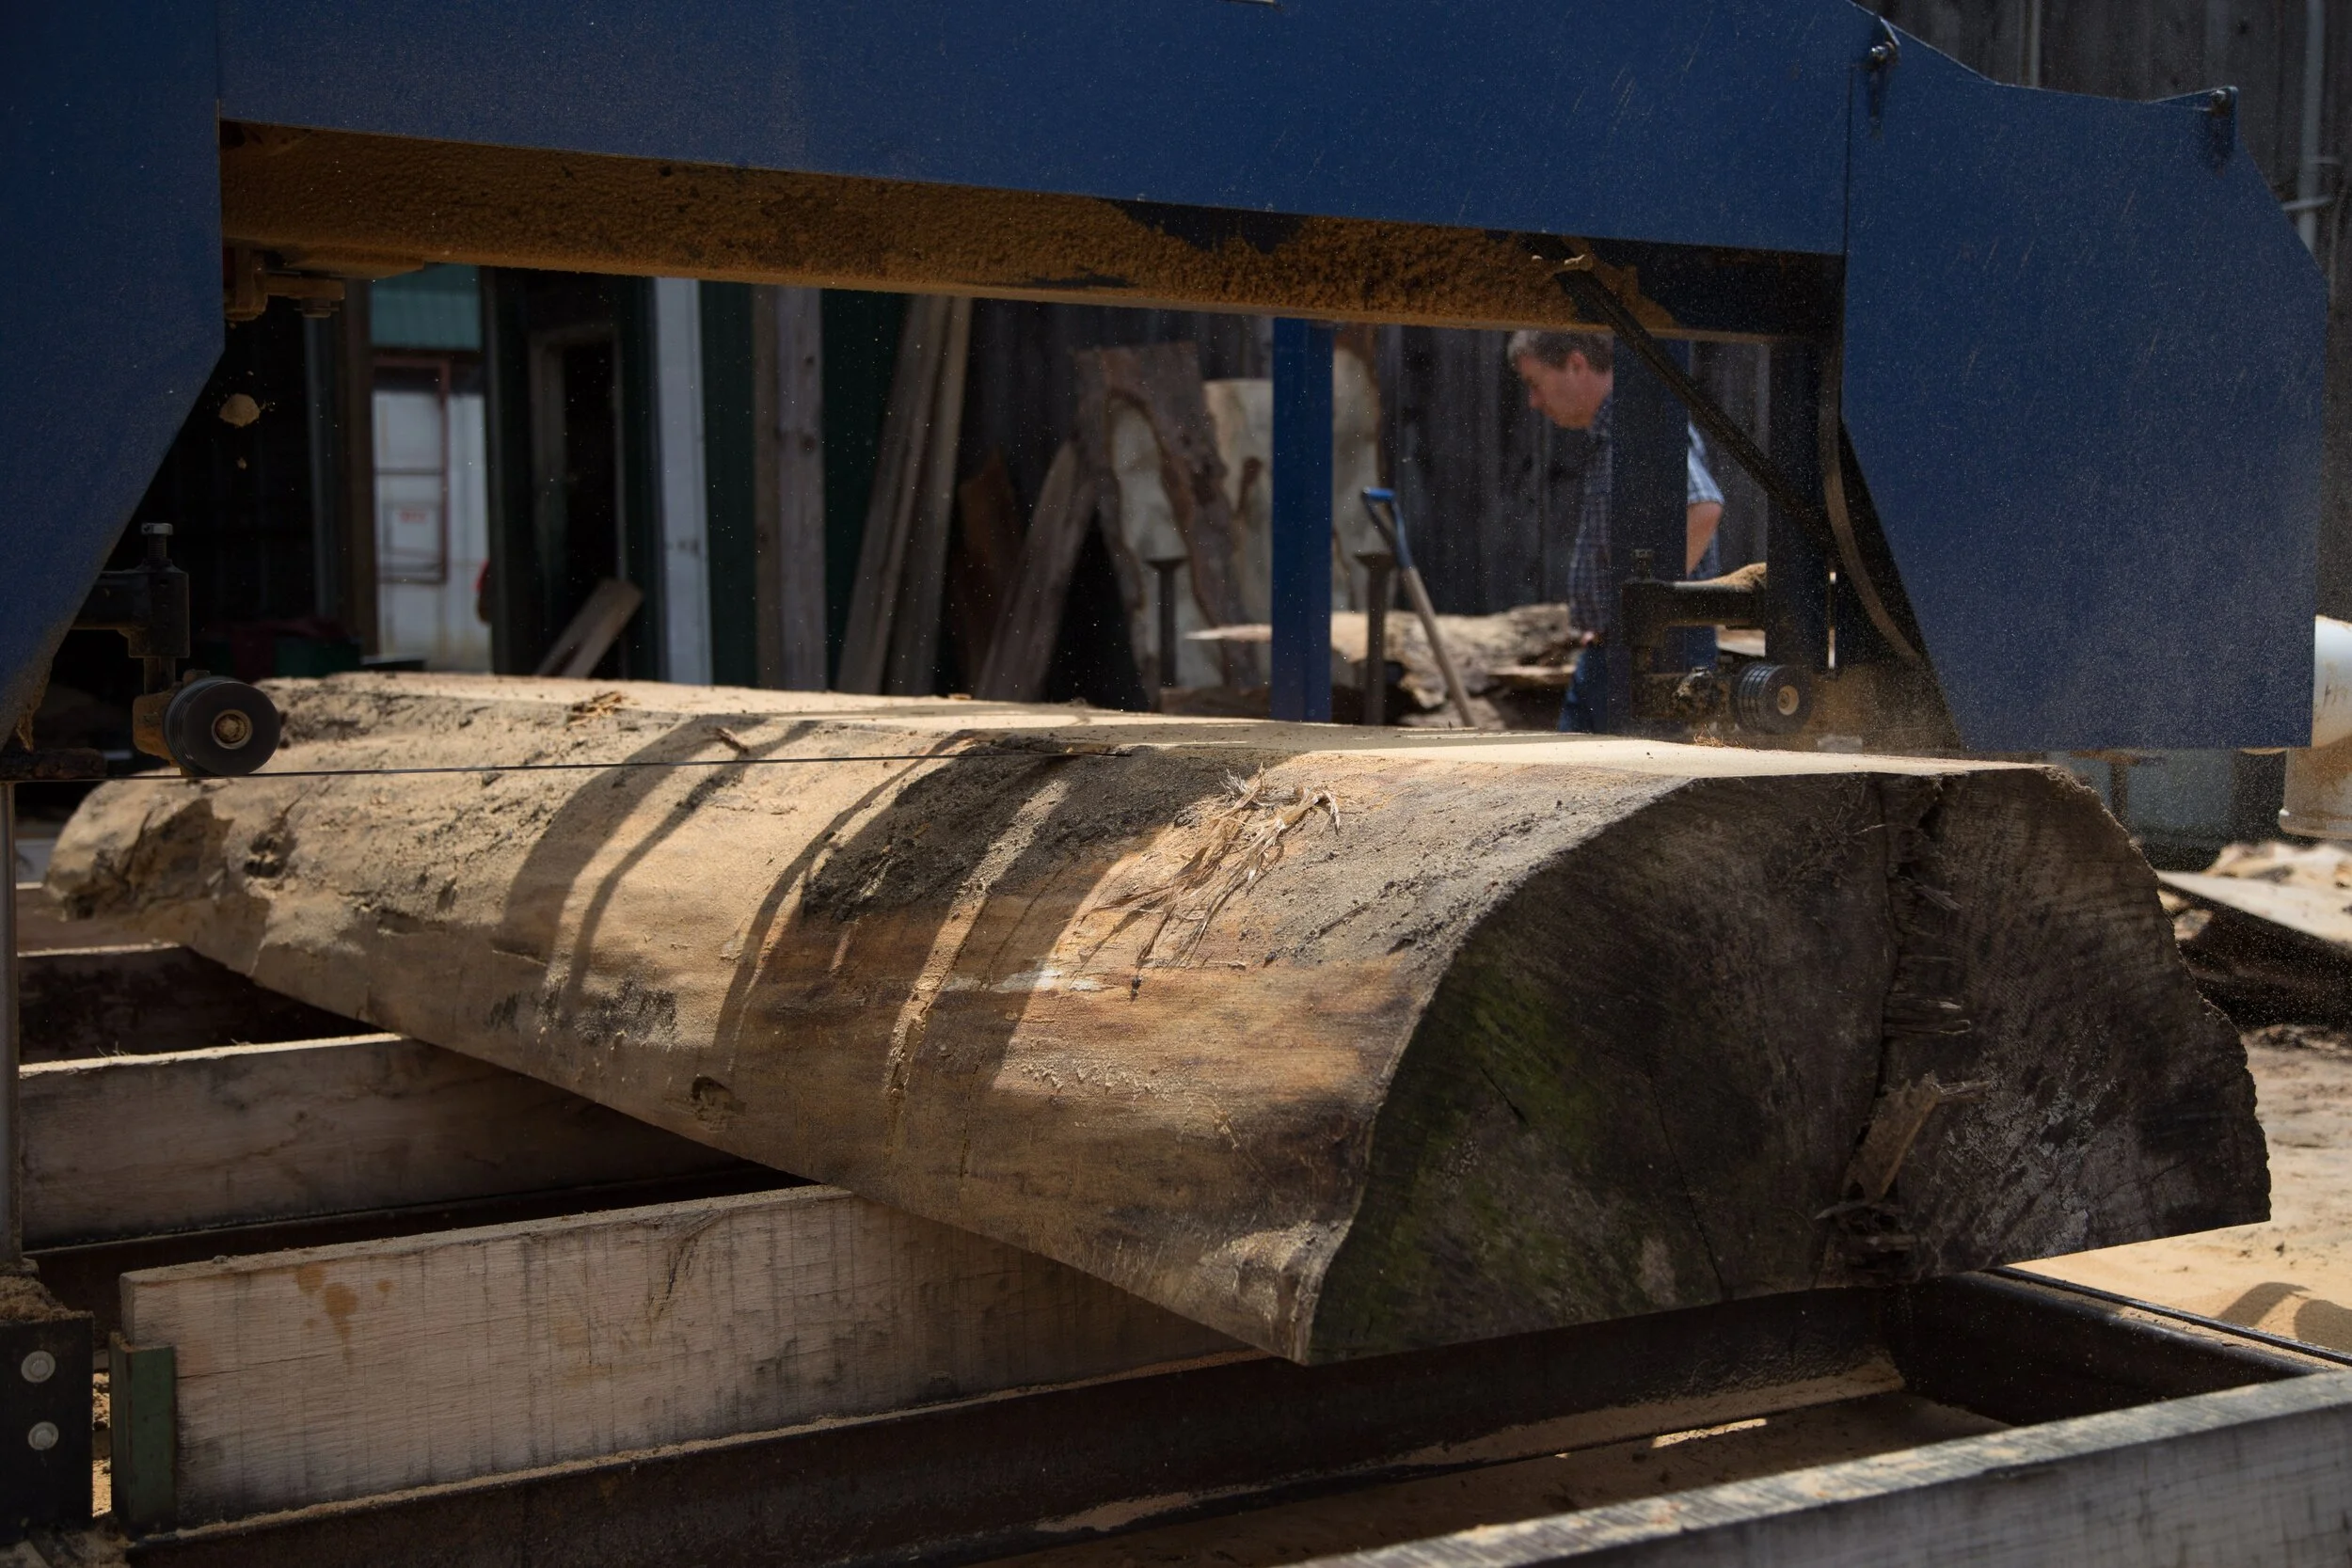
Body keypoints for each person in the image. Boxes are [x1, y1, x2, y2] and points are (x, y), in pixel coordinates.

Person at [1506, 329, 1724, 733]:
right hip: (1614, 650)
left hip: (1657, 653)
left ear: (1576, 364)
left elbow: (1703, 507)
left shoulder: (1642, 428)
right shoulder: (1614, 434)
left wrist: (1648, 608)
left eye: (1535, 384)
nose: (1534, 401)